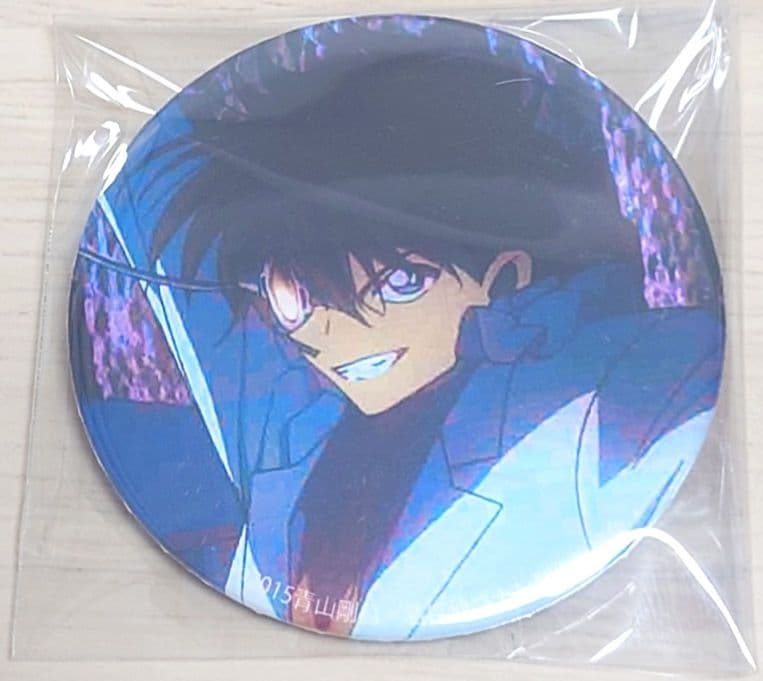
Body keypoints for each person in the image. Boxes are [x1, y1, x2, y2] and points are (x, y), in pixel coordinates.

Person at [81, 18, 724, 639]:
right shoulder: (296, 460)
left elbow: (672, 368)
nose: (340, 330)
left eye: (400, 284)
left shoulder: (595, 412)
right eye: (295, 297)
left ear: (504, 275)